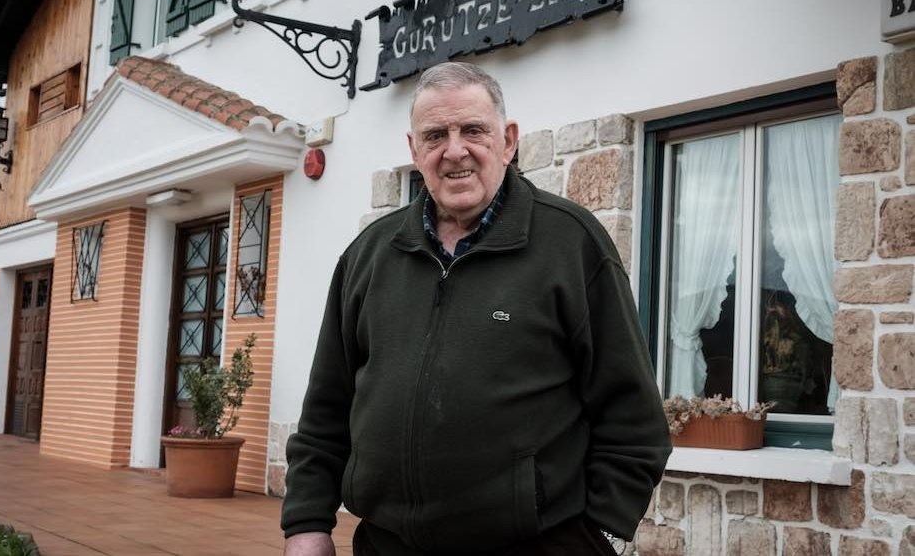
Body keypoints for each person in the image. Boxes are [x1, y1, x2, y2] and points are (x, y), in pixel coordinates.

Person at [281, 62, 671, 556]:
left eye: (472, 130)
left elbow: (633, 418)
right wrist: (306, 524)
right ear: (414, 150)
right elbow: (325, 412)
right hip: (387, 545)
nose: (455, 150)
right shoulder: (369, 256)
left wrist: (603, 536)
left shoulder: (571, 244)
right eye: (435, 135)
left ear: (508, 141)